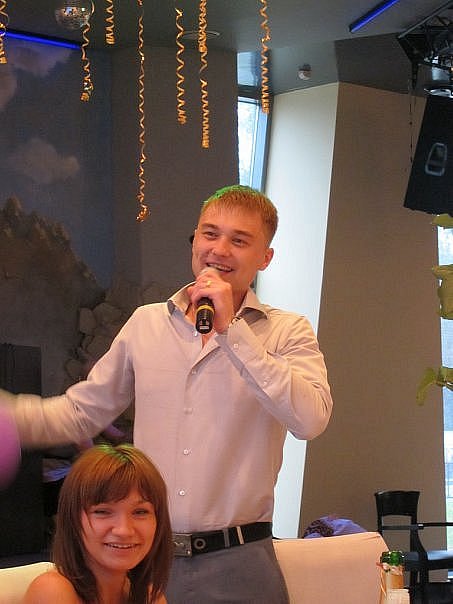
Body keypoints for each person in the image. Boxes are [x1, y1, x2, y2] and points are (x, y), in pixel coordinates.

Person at [1, 184, 333, 602]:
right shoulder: (147, 323)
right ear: (194, 241)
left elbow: (311, 419)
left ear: (264, 257)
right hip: (146, 559)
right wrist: (9, 416)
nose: (219, 249)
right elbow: (81, 412)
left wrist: (233, 332)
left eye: (239, 240)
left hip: (241, 560)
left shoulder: (287, 330)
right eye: (210, 234)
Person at [23, 443, 173, 604]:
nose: (124, 530)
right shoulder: (52, 591)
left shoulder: (150, 596)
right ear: (72, 519)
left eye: (140, 512)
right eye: (102, 512)